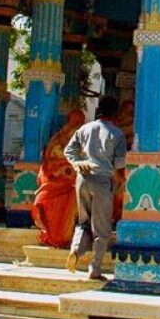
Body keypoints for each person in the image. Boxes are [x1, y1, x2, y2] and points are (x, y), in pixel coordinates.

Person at [64, 96, 126, 280]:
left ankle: (76, 249)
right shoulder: (117, 134)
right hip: (102, 180)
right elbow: (120, 163)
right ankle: (95, 268)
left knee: (83, 221)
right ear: (116, 113)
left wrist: (78, 163)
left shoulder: (85, 129)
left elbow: (69, 150)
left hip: (82, 178)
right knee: (102, 228)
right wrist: (120, 183)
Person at [31, 108, 86, 248]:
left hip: (55, 185)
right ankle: (63, 237)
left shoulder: (58, 139)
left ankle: (61, 236)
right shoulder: (73, 140)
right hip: (58, 185)